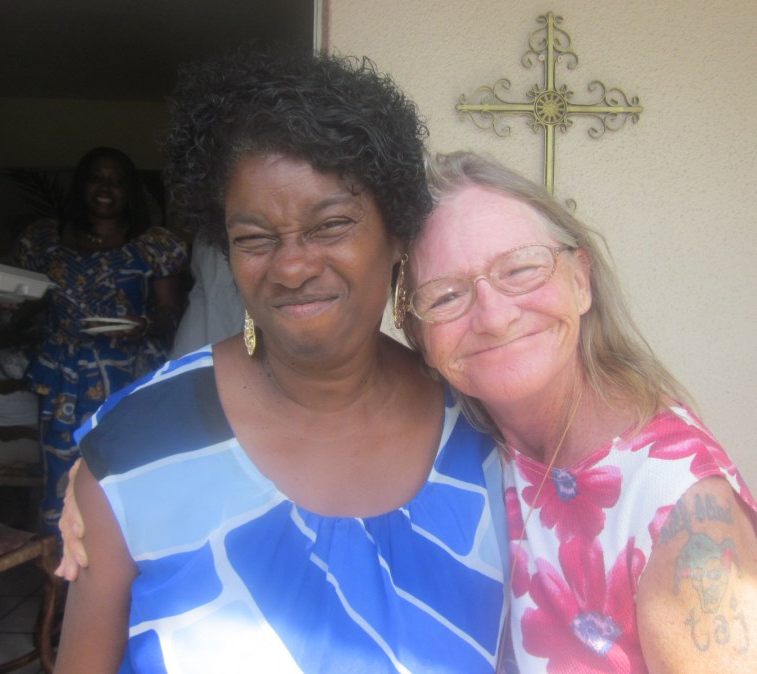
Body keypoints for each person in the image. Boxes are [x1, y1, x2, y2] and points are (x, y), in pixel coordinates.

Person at [53, 51, 507, 673]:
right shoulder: (136, 448)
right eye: (254, 238)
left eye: (331, 225)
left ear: (397, 234)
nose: (292, 267)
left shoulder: (489, 434)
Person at [398, 151, 757, 673]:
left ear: (581, 281)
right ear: (420, 336)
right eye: (446, 296)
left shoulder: (677, 501)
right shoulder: (454, 446)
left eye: (520, 269)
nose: (493, 317)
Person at [11, 146, 187, 533]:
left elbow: (172, 313)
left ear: (129, 192)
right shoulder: (44, 241)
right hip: (63, 378)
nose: (106, 188)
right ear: (81, 185)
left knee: (127, 474)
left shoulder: (153, 246)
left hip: (128, 378)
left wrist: (144, 325)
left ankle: (122, 560)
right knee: (63, 473)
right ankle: (63, 561)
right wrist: (8, 304)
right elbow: (29, 306)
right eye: (97, 178)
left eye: (117, 182)